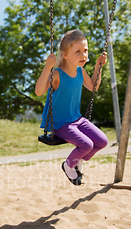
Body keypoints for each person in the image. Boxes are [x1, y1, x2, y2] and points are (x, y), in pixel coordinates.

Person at [35, 29, 108, 185]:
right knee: (86, 144)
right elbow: (39, 91)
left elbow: (93, 86)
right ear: (65, 55)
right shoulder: (56, 74)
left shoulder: (80, 72)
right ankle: (68, 165)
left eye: (85, 51)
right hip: (61, 123)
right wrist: (47, 67)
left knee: (102, 141)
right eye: (78, 52)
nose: (83, 55)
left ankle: (78, 159)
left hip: (77, 119)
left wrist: (98, 67)